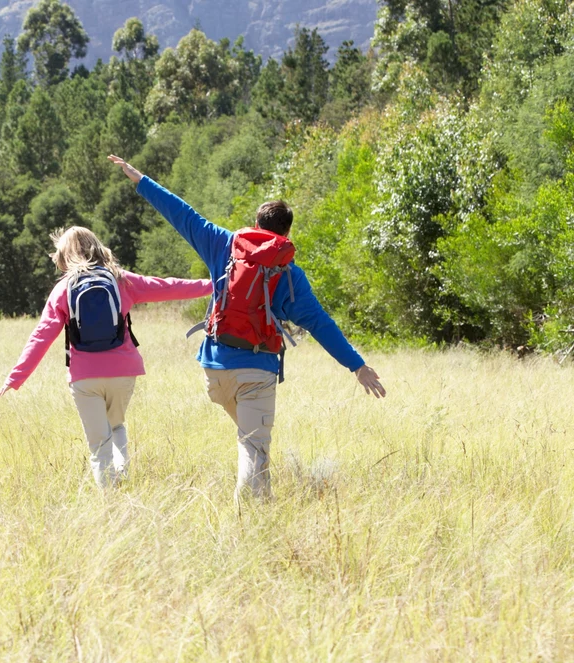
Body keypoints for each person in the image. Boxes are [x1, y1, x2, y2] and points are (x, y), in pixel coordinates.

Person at [108, 154, 386, 502]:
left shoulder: (223, 245)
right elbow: (320, 324)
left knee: (254, 443)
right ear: (286, 234)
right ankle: (246, 522)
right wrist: (357, 366)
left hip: (215, 371)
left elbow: (182, 214)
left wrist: (141, 180)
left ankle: (265, 511)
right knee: (253, 447)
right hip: (255, 371)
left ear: (255, 223)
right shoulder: (289, 274)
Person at [0, 226, 212, 488]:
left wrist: (15, 378)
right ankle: (123, 474)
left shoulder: (63, 289)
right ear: (97, 247)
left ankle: (110, 506)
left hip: (84, 377)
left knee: (99, 446)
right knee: (117, 425)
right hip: (123, 372)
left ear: (64, 256)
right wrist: (214, 285)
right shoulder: (121, 279)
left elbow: (41, 336)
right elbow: (169, 286)